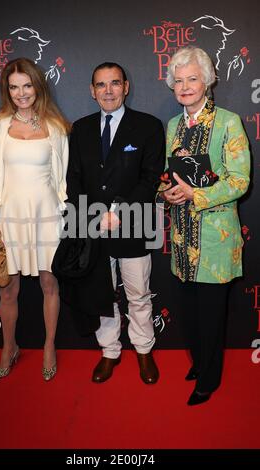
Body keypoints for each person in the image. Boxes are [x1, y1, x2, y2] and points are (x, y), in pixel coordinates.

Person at [0, 57, 70, 381]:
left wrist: (65, 218)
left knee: (49, 284)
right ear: (7, 91)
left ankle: (49, 346)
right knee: (7, 290)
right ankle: (8, 347)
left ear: (37, 86)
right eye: (14, 87)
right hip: (8, 219)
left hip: (47, 217)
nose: (21, 93)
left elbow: (64, 178)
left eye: (27, 85)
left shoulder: (55, 127)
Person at [158, 46, 250, 405]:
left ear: (207, 80)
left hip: (215, 239)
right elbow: (168, 176)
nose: (185, 86)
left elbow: (240, 181)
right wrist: (166, 191)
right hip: (181, 238)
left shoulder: (228, 121)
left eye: (192, 79)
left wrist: (197, 195)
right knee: (189, 312)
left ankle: (208, 379)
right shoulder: (172, 125)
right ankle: (199, 362)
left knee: (212, 315)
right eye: (178, 80)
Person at [67, 62, 165, 384]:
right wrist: (95, 215)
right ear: (92, 91)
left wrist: (119, 211)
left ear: (126, 86)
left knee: (138, 293)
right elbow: (74, 179)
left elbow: (151, 178)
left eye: (114, 84)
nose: (108, 91)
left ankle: (143, 349)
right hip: (94, 226)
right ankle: (109, 351)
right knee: (101, 293)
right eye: (100, 85)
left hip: (134, 222)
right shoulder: (80, 129)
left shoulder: (148, 126)